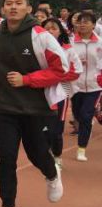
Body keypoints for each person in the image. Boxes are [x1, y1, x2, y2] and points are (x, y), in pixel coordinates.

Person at [0, 0, 68, 207]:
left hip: (36, 107)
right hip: (5, 107)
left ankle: (51, 174)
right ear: (2, 9)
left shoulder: (41, 37)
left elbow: (62, 69)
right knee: (6, 158)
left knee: (37, 153)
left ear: (29, 8)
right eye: (9, 3)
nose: (13, 7)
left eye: (19, 3)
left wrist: (27, 80)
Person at [41, 17, 81, 168]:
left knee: (56, 129)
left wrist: (55, 76)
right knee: (42, 129)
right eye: (47, 28)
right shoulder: (36, 49)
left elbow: (76, 71)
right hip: (40, 93)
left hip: (60, 94)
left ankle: (57, 156)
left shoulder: (68, 50)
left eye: (54, 28)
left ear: (60, 31)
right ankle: (45, 156)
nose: (50, 31)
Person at [70, 10, 102, 161]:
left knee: (85, 115)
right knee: (77, 114)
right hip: (75, 86)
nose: (82, 24)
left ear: (94, 25)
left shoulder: (100, 42)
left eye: (86, 22)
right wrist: (75, 63)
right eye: (80, 22)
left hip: (95, 86)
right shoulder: (71, 42)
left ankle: (81, 149)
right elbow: (65, 60)